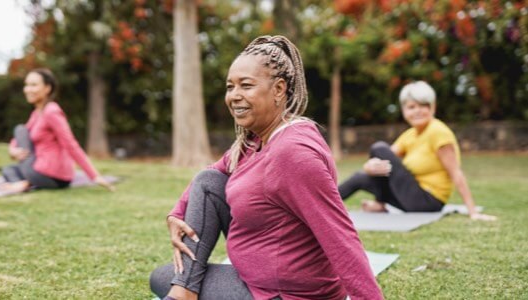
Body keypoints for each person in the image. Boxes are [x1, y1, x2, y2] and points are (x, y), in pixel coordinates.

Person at [150, 36, 383, 300]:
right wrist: (175, 214)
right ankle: (184, 290)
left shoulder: (293, 153)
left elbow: (340, 236)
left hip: (287, 294)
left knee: (163, 277)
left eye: (246, 85)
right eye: (230, 87)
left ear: (279, 89)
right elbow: (210, 175)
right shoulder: (255, 141)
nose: (234, 96)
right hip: (256, 279)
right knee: (208, 182)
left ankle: (182, 291)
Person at [338, 81, 496, 221]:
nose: (418, 111)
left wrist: (473, 212)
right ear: (404, 110)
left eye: (423, 106)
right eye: (412, 107)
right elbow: (386, 158)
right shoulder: (410, 135)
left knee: (378, 147)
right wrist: (369, 167)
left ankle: (379, 203)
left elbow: (456, 172)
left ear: (432, 108)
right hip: (409, 196)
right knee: (360, 177)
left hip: (428, 200)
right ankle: (320, 208)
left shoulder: (438, 132)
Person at [0, 68, 114, 192]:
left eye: (33, 85)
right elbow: (19, 137)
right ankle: (24, 183)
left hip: (51, 175)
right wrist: (12, 150)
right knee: (8, 169)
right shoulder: (37, 113)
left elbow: (71, 144)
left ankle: (24, 183)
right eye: (26, 85)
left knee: (19, 129)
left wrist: (94, 175)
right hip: (40, 171)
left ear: (47, 88)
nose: (27, 89)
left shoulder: (51, 111)